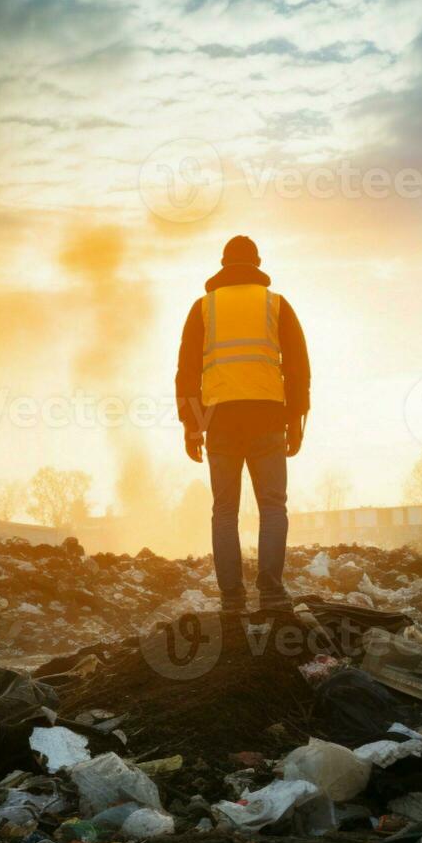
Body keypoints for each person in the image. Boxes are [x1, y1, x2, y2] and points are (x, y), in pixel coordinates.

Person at [175, 235, 310, 611]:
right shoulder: (277, 305)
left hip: (220, 421)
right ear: (257, 263)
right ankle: (270, 592)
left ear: (223, 264)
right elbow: (298, 369)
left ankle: (231, 597)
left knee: (225, 510)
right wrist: (296, 419)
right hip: (267, 417)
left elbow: (187, 373)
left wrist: (192, 424)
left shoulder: (203, 308)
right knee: (272, 507)